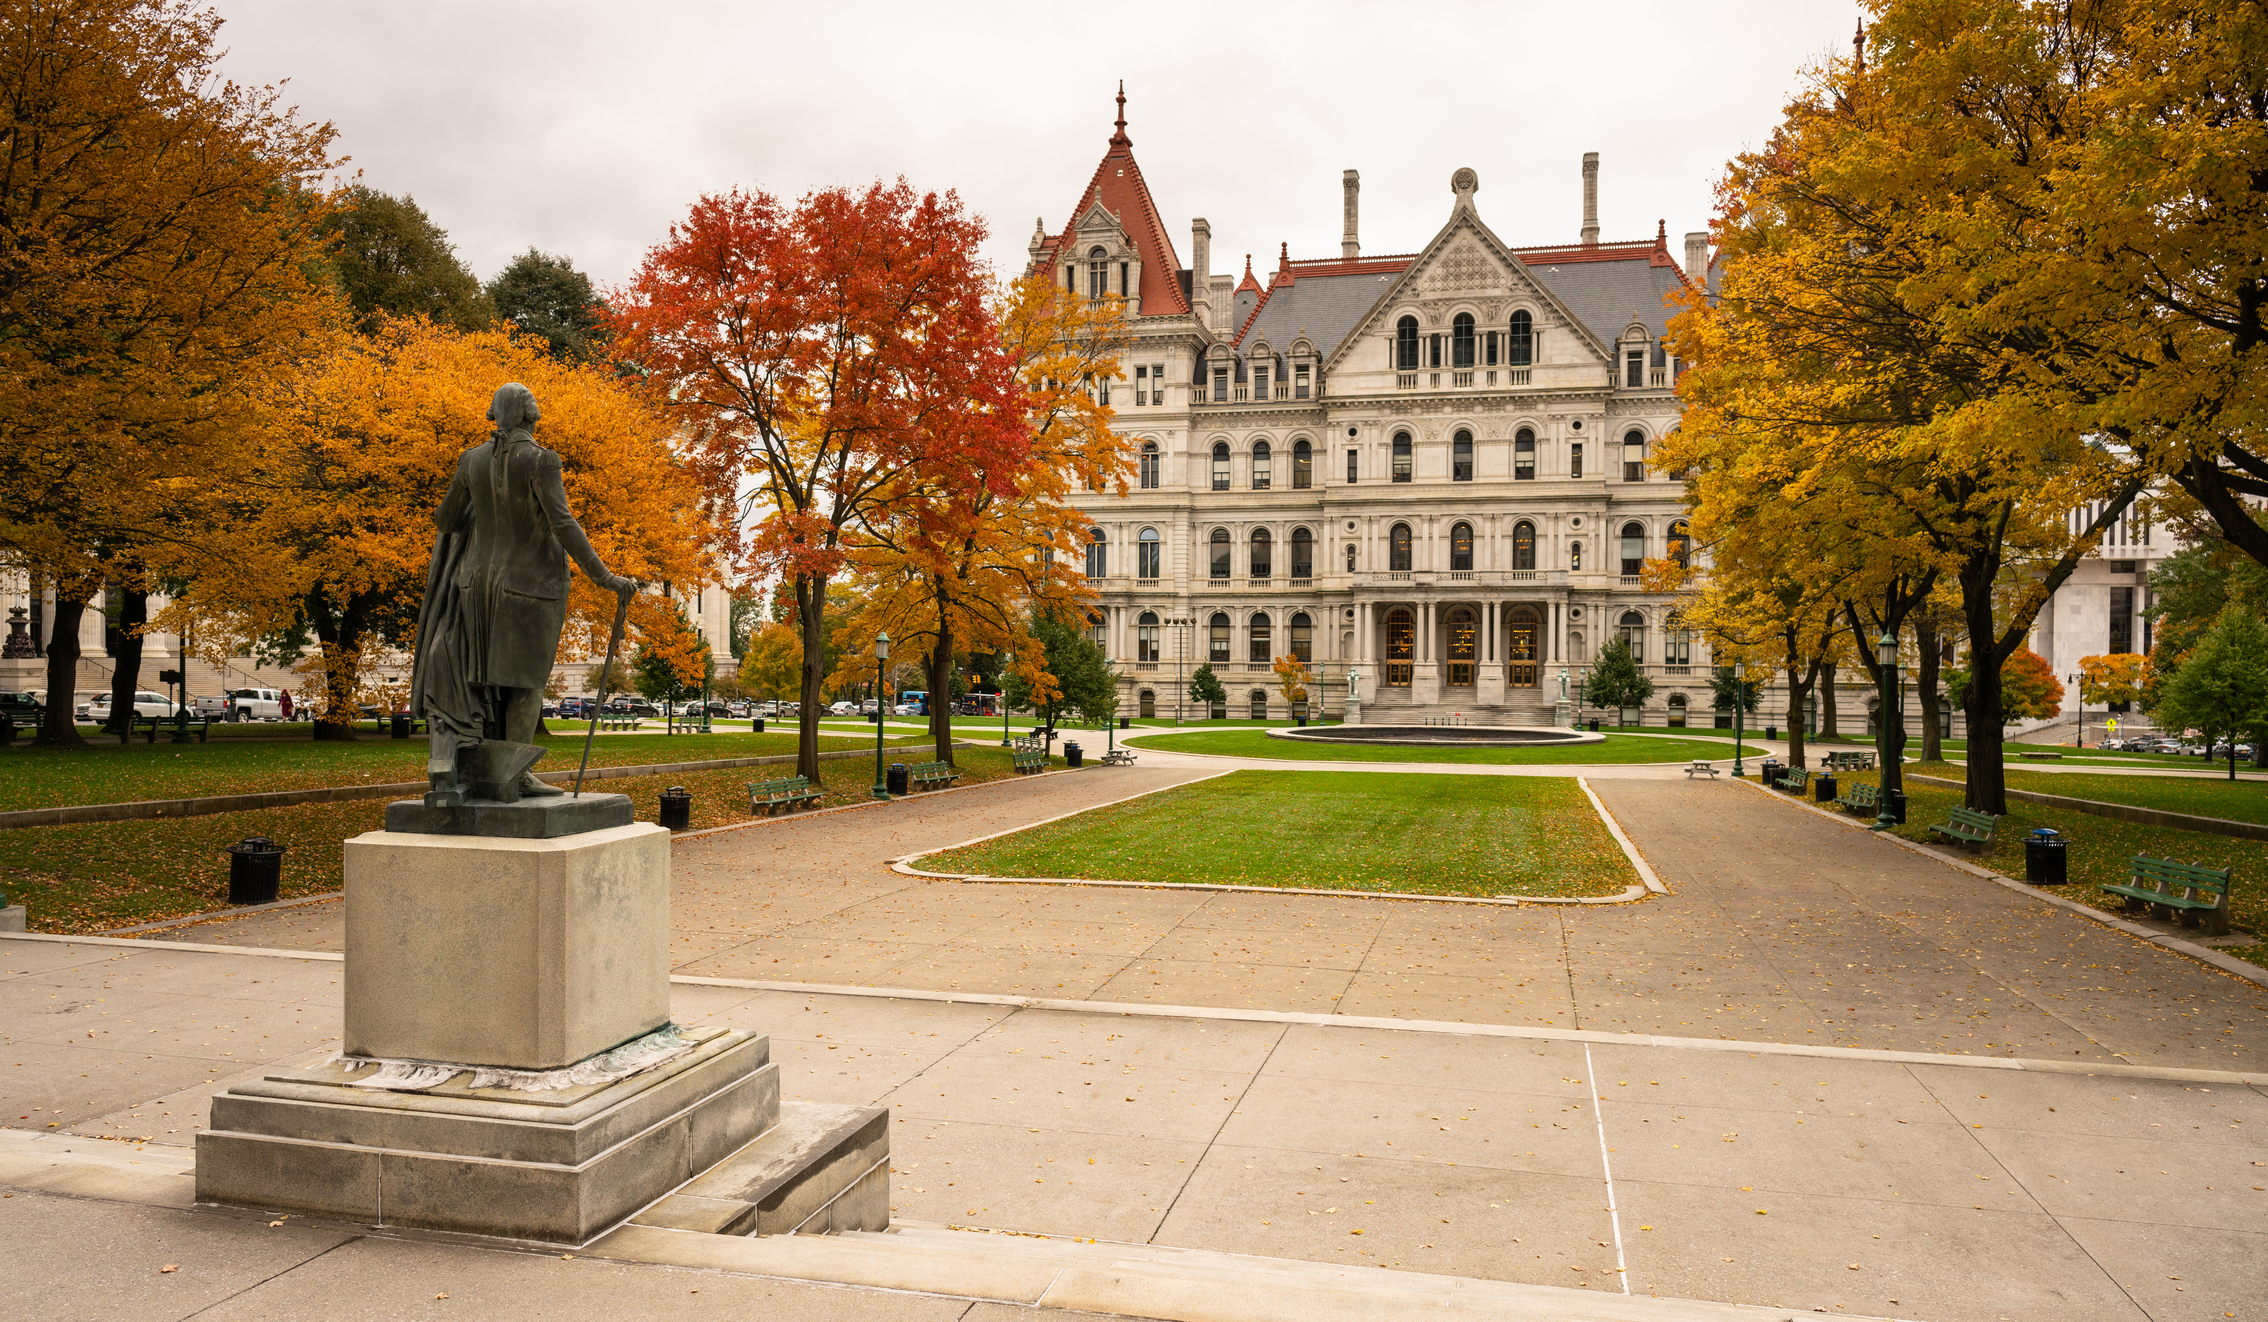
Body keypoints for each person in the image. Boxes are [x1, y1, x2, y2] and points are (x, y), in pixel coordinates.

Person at [409, 383, 636, 803]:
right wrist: (604, 577)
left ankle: (473, 768)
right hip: (529, 587)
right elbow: (562, 522)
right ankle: (516, 773)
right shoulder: (540, 459)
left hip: (472, 584)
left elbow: (444, 520)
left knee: (481, 679)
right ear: (531, 415)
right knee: (525, 683)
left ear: (496, 415)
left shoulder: (470, 461)